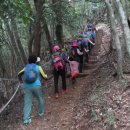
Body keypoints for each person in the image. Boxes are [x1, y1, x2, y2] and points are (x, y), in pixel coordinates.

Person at [18, 55, 48, 125]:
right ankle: (40, 113)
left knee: (27, 102)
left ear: (28, 61)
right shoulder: (38, 67)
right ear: (35, 61)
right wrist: (46, 77)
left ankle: (26, 119)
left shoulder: (26, 67)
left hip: (27, 86)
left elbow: (19, 74)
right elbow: (44, 76)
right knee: (40, 99)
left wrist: (21, 82)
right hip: (37, 86)